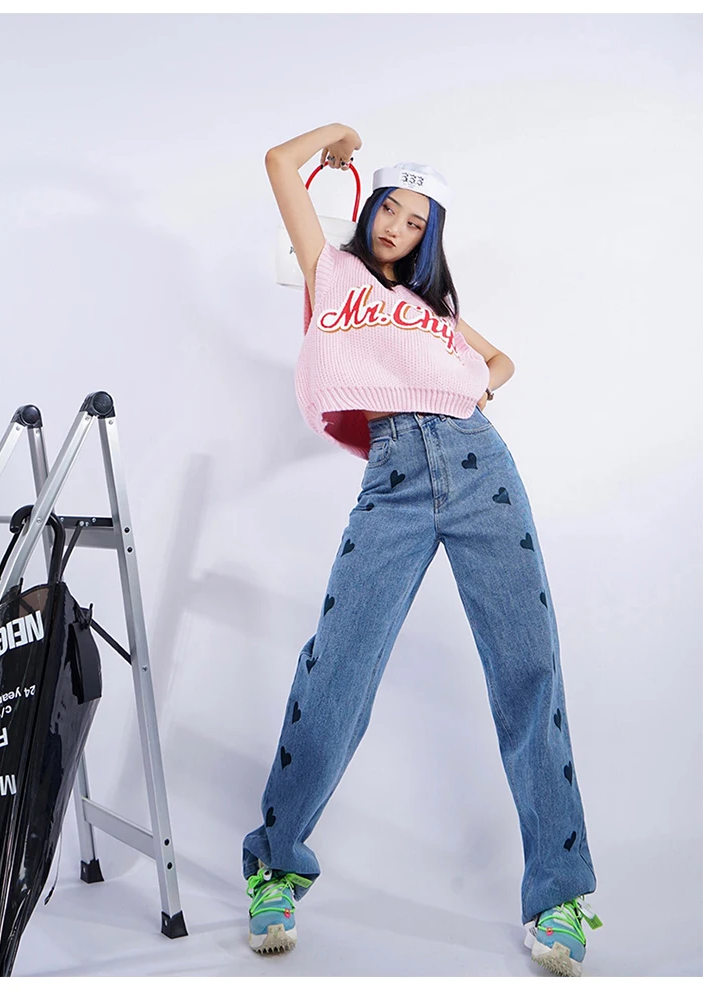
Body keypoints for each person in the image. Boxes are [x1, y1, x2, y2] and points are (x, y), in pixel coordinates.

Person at [242, 122, 602, 977]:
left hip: (481, 469)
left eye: (415, 223)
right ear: (369, 208)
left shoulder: (434, 312)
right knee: (338, 670)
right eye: (389, 211)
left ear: (428, 237)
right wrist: (336, 139)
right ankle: (275, 866)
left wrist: (475, 387)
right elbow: (278, 164)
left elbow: (501, 361)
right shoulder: (332, 271)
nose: (396, 229)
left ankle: (559, 895)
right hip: (395, 478)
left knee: (529, 671)